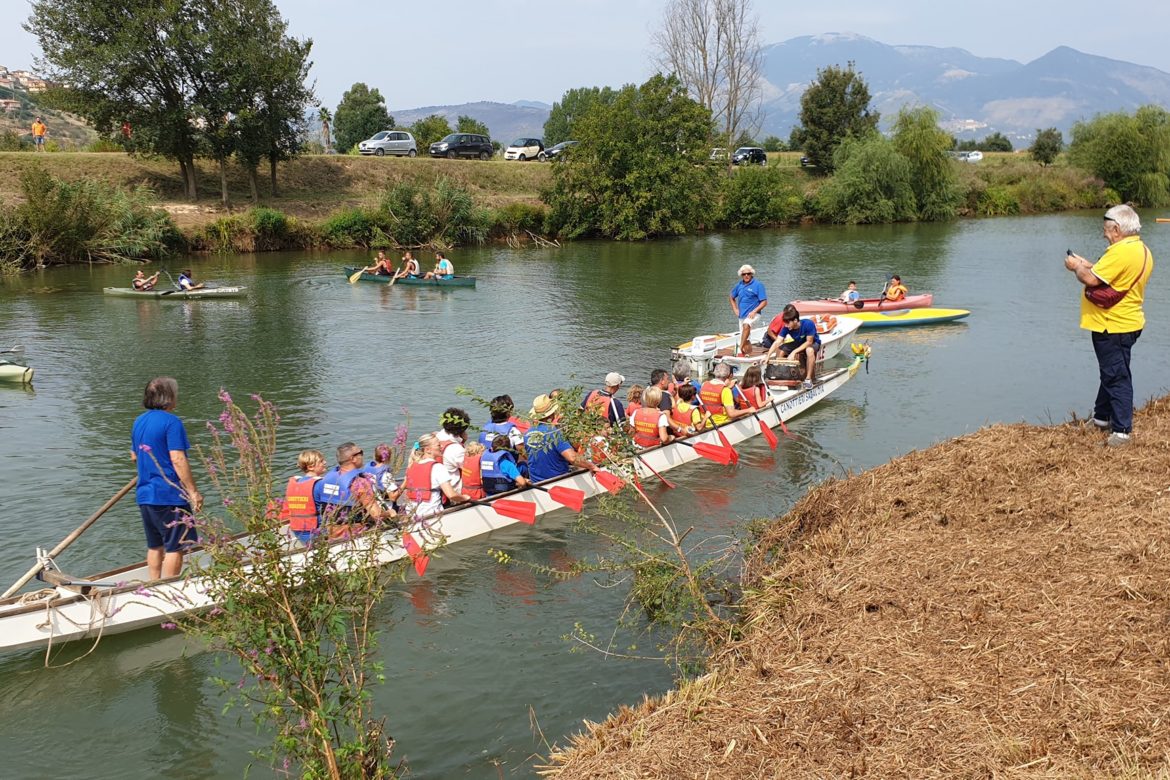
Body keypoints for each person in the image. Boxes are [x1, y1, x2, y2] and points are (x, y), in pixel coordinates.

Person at [1065, 204, 1154, 447]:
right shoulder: (1140, 249)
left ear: (1116, 229)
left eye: (1106, 229)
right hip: (1128, 322)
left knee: (1117, 376)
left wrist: (1076, 267)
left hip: (1112, 326)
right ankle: (1102, 419)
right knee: (1111, 370)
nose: (1104, 233)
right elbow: (1107, 274)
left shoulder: (1120, 252)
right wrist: (1086, 262)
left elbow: (1091, 279)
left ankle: (1122, 431)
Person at [130, 377, 202, 580]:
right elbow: (178, 459)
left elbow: (134, 456)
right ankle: (169, 588)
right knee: (175, 546)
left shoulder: (139, 421)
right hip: (168, 494)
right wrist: (193, 491)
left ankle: (154, 584)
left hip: (145, 494)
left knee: (155, 545)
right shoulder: (172, 422)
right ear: (168, 397)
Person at [313, 442, 391, 536]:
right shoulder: (359, 482)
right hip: (355, 533)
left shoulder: (327, 478)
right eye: (360, 453)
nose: (362, 456)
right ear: (353, 458)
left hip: (331, 533)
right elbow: (376, 514)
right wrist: (389, 513)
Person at [524, 394, 602, 482]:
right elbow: (572, 458)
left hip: (536, 481)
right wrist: (592, 466)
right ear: (552, 413)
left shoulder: (527, 434)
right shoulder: (555, 432)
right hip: (558, 480)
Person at [401, 433, 468, 519]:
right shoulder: (437, 467)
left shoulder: (411, 466)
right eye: (438, 445)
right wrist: (464, 498)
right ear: (428, 450)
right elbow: (451, 495)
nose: (441, 447)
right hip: (431, 515)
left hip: (412, 515)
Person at [764, 304, 821, 388]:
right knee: (781, 348)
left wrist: (794, 352)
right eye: (785, 323)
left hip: (812, 343)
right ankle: (779, 374)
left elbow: (809, 342)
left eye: (788, 323)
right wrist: (768, 356)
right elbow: (777, 342)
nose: (786, 325)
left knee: (809, 350)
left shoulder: (808, 324)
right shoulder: (786, 327)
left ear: (795, 320)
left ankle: (808, 379)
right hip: (798, 342)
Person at [281, 449, 328, 545]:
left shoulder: (295, 483)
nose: (325, 462)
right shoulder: (319, 484)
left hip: (297, 529)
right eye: (321, 461)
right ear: (311, 466)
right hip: (315, 530)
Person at [730, 264, 767, 357]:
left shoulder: (758, 285)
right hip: (742, 315)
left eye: (748, 273)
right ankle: (746, 355)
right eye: (744, 274)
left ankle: (739, 348)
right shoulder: (739, 285)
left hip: (754, 315)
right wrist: (735, 309)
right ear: (741, 275)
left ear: (751, 274)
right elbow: (731, 297)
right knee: (746, 338)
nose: (746, 276)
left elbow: (764, 302)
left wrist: (755, 311)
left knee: (746, 325)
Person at [436, 408, 471, 494]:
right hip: (453, 490)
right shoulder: (456, 449)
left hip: (437, 485)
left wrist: (462, 441)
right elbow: (469, 469)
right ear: (462, 430)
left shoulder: (437, 436)